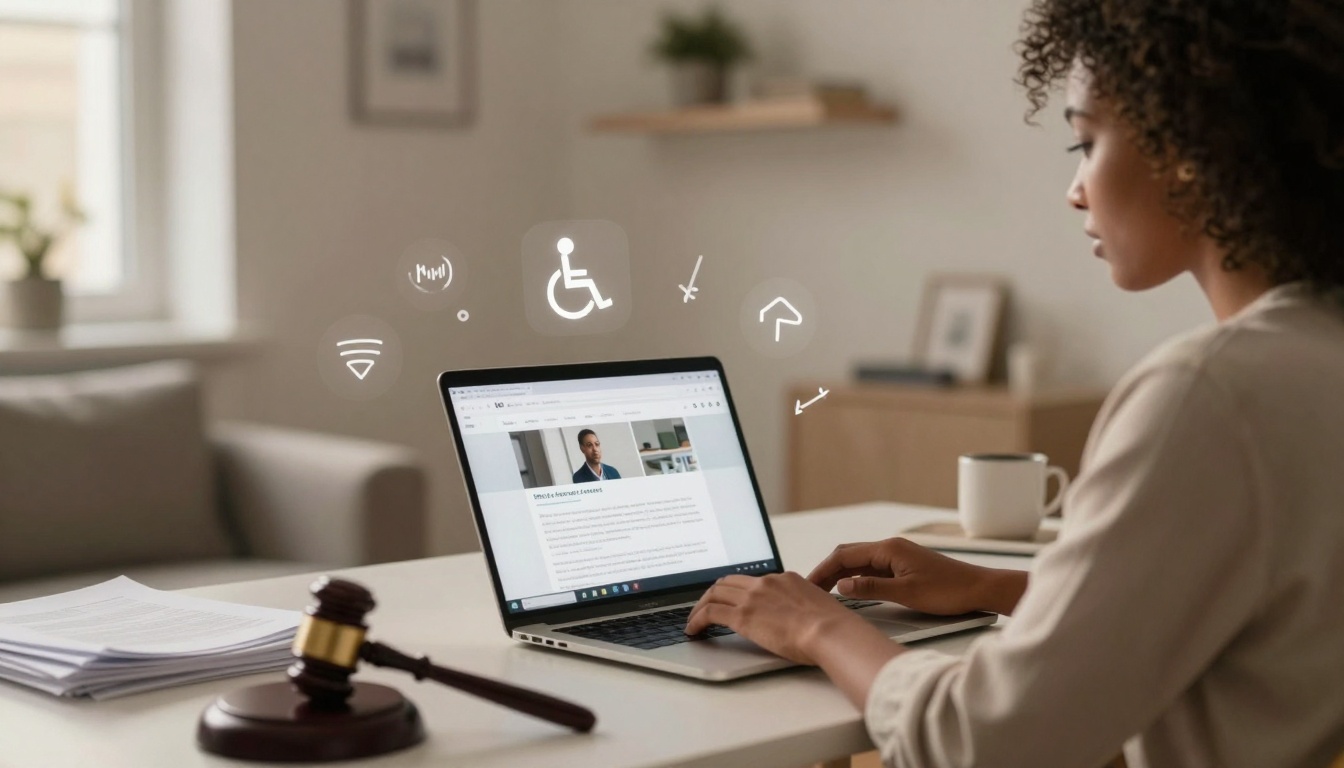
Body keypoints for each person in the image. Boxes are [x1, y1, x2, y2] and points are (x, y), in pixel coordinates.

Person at [685, 2, 1344, 766]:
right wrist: (995, 589)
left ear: (1193, 144)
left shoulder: (1210, 394)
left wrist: (817, 626)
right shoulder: (1313, 361)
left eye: (1085, 141)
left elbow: (986, 743)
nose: (1076, 189)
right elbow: (1257, 622)